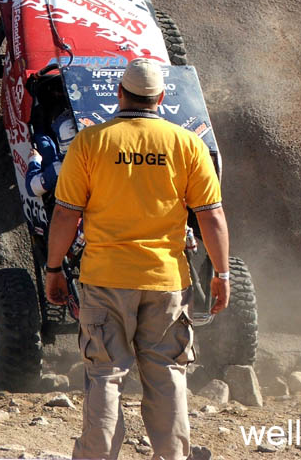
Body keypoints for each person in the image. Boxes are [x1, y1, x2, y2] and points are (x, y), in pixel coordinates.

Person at [45, 58, 231, 460]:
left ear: (119, 94)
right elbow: (211, 215)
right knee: (167, 376)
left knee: (106, 374)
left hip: (105, 278)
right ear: (161, 98)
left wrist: (54, 268)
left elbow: (65, 214)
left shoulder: (91, 143)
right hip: (166, 282)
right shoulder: (187, 144)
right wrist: (221, 273)